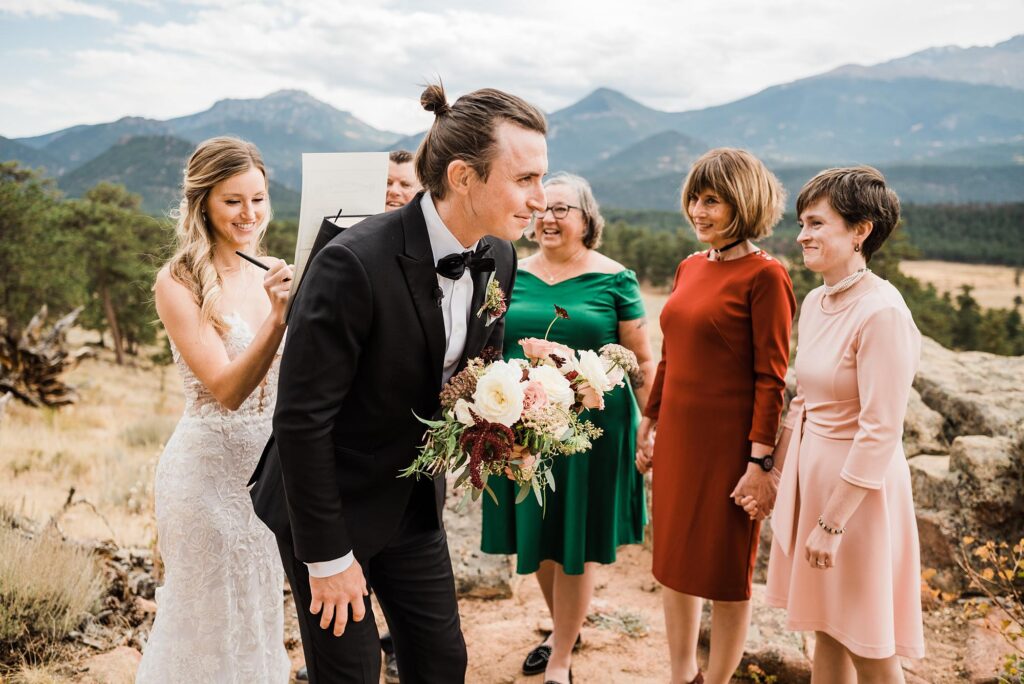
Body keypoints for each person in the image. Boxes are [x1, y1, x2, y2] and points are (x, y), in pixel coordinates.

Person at [249, 83, 547, 683]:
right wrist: (328, 558)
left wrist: (519, 405)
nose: (540, 199)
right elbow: (301, 420)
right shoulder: (351, 263)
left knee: (442, 663)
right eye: (525, 180)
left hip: (413, 503)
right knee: (351, 673)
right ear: (463, 176)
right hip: (332, 504)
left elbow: (467, 371)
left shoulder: (500, 255)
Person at [481, 172, 656, 684]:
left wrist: (654, 422)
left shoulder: (615, 278)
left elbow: (641, 358)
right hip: (520, 423)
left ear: (587, 220)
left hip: (592, 432)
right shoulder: (506, 270)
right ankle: (564, 628)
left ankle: (560, 658)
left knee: (575, 542)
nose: (549, 218)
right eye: (542, 208)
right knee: (536, 535)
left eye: (562, 209)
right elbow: (485, 342)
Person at [636, 148, 796, 684]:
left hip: (730, 447)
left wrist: (760, 461)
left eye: (713, 201)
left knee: (728, 572)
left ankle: (719, 679)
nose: (698, 212)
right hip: (679, 436)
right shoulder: (689, 265)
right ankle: (683, 674)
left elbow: (771, 377)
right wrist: (651, 418)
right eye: (694, 199)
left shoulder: (766, 276)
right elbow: (673, 352)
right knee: (674, 563)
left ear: (743, 204)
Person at [137, 137, 293, 682]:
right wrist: (278, 317)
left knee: (256, 617)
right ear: (203, 202)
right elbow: (228, 390)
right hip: (204, 481)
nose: (249, 214)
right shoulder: (177, 280)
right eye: (233, 201)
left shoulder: (276, 271)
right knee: (203, 624)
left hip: (270, 480)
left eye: (258, 198)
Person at [764, 167, 925, 681]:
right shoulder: (816, 301)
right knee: (826, 633)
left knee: (868, 646)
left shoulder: (882, 313)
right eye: (802, 224)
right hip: (811, 480)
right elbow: (801, 401)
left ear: (861, 231)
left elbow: (881, 429)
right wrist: (775, 475)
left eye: (816, 224)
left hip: (858, 501)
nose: (802, 235)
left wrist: (832, 523)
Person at [294, 147, 421, 684]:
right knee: (345, 650)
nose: (393, 193)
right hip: (331, 459)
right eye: (386, 183)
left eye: (404, 186)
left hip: (405, 480)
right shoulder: (342, 250)